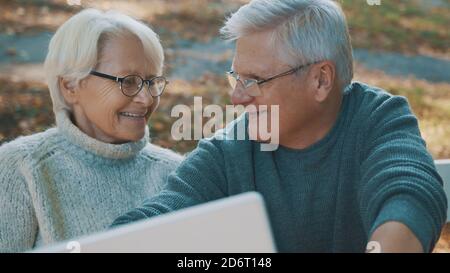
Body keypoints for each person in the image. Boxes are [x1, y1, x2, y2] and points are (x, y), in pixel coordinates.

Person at [112, 0, 447, 252]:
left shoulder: (378, 120)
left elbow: (409, 194)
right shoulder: (228, 151)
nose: (238, 98)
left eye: (256, 80)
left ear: (320, 80)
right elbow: (163, 214)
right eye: (237, 78)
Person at [0, 8, 182, 252]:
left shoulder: (177, 173)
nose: (146, 99)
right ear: (70, 86)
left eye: (151, 82)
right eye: (128, 81)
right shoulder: (21, 168)